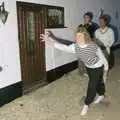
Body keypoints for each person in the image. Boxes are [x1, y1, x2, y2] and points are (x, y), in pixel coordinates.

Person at [40, 26, 108, 116]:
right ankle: (101, 94)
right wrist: (50, 43)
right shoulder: (75, 47)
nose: (78, 38)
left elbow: (101, 56)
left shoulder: (92, 45)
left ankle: (86, 104)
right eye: (77, 36)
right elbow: (64, 47)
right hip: (89, 67)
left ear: (85, 36)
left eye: (80, 36)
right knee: (98, 82)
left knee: (92, 85)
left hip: (98, 66)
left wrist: (106, 67)